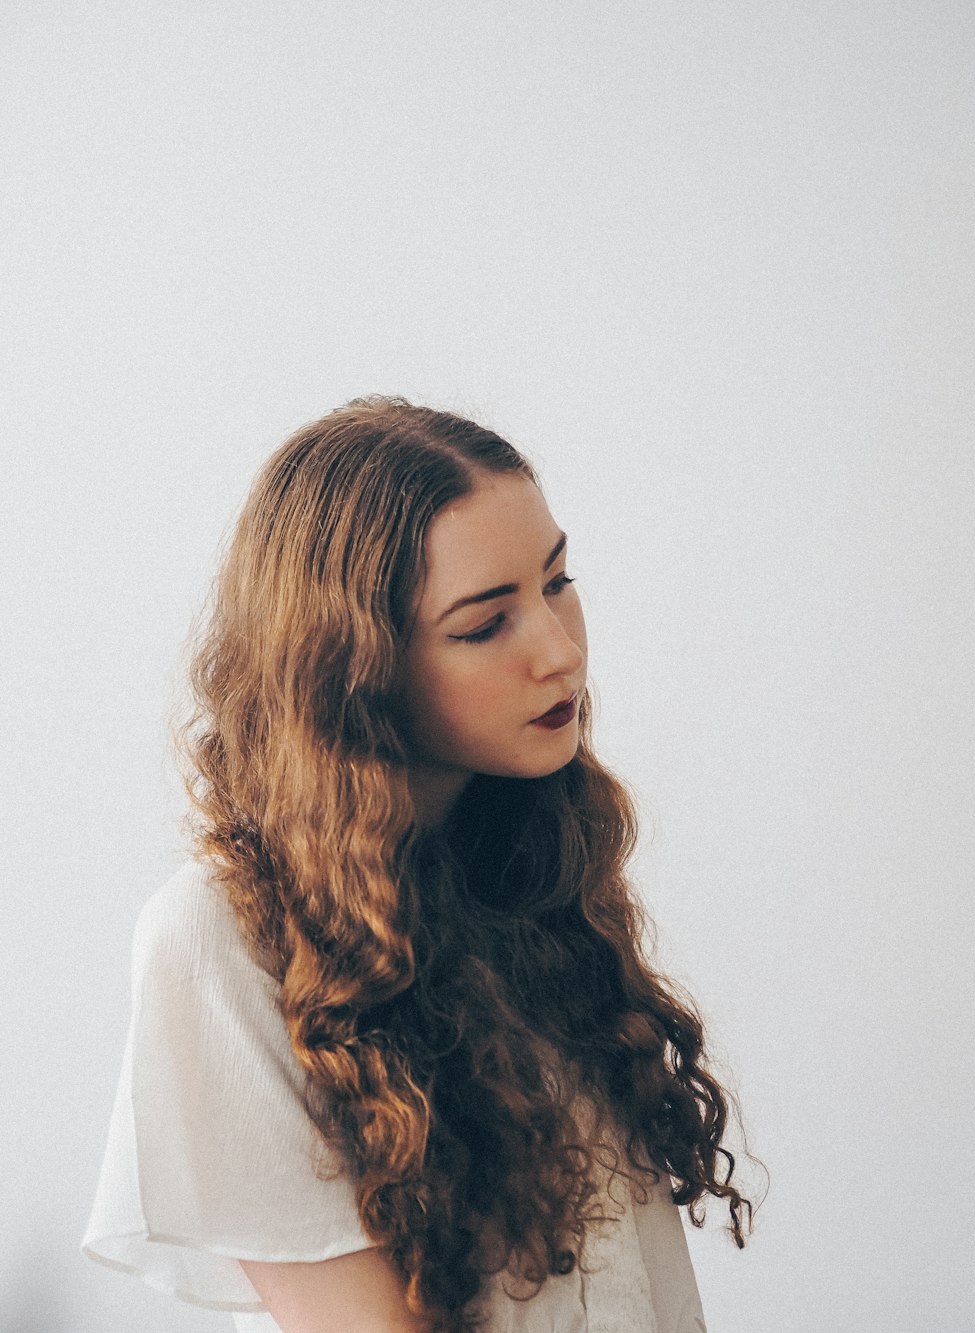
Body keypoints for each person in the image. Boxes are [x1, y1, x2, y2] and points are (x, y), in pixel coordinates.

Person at [82, 396, 757, 1332]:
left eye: (558, 583)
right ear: (354, 669)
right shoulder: (221, 938)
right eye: (486, 625)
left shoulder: (532, 867)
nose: (561, 653)